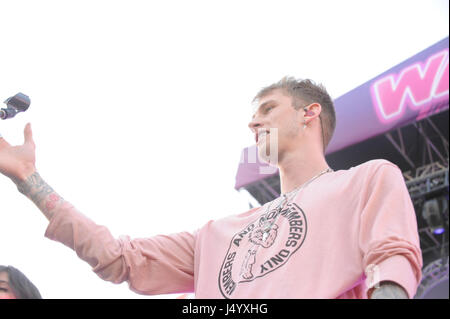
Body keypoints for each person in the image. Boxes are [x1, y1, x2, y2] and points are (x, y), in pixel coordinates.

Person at [0, 76, 422, 298]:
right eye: (253, 115)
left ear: (309, 113)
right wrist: (28, 179)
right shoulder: (216, 236)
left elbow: (392, 260)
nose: (254, 122)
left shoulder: (367, 179)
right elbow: (118, 258)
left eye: (268, 109)